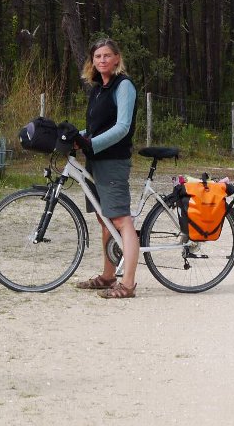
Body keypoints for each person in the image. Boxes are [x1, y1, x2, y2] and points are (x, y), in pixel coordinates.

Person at [74, 37, 140, 299]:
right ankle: (108, 276)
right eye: (97, 56)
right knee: (104, 221)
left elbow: (122, 128)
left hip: (113, 161)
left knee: (122, 220)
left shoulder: (123, 86)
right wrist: (76, 139)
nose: (101, 60)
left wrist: (90, 144)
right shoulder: (98, 88)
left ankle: (129, 284)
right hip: (96, 161)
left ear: (116, 59)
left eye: (106, 56)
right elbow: (94, 131)